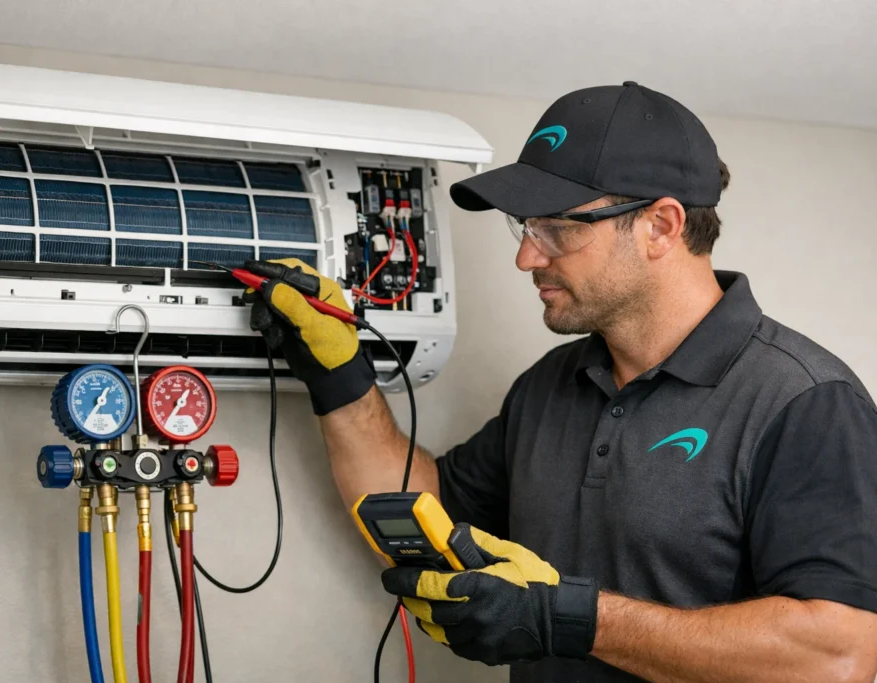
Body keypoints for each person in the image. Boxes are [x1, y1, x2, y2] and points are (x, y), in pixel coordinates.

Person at [243, 82, 877, 682]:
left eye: (559, 229)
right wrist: (338, 377)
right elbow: (422, 515)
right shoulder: (551, 384)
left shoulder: (805, 402)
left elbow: (841, 658)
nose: (527, 256)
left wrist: (569, 619)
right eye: (525, 227)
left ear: (661, 225)